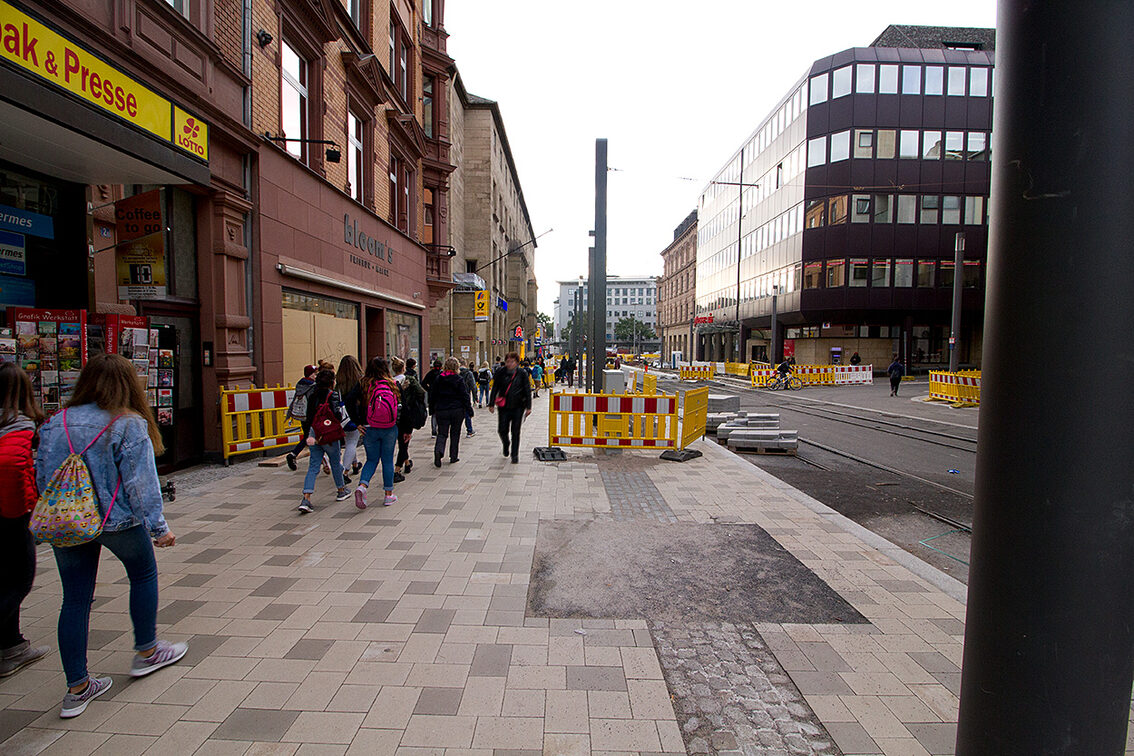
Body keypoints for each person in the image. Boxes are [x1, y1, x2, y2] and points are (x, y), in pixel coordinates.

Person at [36, 353, 184, 719]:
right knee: (143, 574)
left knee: (75, 599)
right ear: (128, 384)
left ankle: (77, 687)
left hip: (69, 521)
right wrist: (158, 528)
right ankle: (147, 651)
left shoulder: (57, 422)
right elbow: (140, 483)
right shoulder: (128, 423)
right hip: (117, 521)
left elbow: (43, 476)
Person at [0, 363, 49, 679]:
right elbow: (13, 467)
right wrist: (23, 509)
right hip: (11, 515)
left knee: (4, 577)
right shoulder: (19, 425)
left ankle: (12, 646)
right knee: (20, 578)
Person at [298, 368, 351, 514]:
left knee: (313, 466)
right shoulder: (332, 395)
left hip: (314, 432)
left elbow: (308, 416)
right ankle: (341, 490)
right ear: (332, 382)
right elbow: (337, 415)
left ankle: (306, 498)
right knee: (335, 462)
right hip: (329, 433)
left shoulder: (312, 394)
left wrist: (309, 435)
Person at [355, 358, 400, 509]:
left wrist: (357, 422)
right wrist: (406, 429)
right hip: (389, 427)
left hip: (369, 427)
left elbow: (349, 400)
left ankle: (362, 486)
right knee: (387, 461)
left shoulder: (363, 384)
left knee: (371, 460)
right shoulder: (392, 384)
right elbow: (403, 406)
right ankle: (388, 495)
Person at [489, 352, 532, 464]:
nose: (509, 364)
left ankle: (514, 455)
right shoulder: (501, 372)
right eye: (508, 361)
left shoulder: (522, 373)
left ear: (517, 362)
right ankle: (506, 443)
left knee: (515, 431)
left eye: (512, 361)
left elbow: (527, 389)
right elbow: (495, 388)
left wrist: (528, 407)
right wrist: (491, 403)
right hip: (504, 406)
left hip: (518, 406)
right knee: (502, 429)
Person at [430, 357, 473, 467]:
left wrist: (432, 409)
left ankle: (439, 451)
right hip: (457, 410)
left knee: (442, 433)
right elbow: (465, 396)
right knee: (455, 433)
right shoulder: (459, 379)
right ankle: (453, 456)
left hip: (442, 409)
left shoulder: (439, 379)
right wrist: (469, 410)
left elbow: (433, 395)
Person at [394, 364, 427, 482]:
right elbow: (421, 392)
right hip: (406, 413)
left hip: (393, 415)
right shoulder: (409, 380)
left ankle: (407, 462)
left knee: (401, 440)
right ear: (403, 368)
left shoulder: (390, 381)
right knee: (404, 442)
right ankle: (397, 469)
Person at [336, 356, 364, 479]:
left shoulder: (339, 383)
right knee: (351, 443)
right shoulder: (360, 382)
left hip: (342, 417)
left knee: (349, 441)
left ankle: (355, 464)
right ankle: (345, 471)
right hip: (355, 416)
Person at [285, 364, 318, 471]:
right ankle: (294, 454)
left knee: (307, 436)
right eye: (314, 374)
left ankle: (293, 455)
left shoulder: (300, 385)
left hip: (302, 415)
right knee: (312, 437)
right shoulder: (312, 387)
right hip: (310, 416)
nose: (316, 376)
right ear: (310, 374)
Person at [422, 359, 442, 437]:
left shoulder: (430, 373)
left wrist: (429, 389)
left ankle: (433, 431)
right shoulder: (442, 374)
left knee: (434, 414)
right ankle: (440, 429)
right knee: (440, 413)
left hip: (432, 396)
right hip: (440, 396)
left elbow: (423, 383)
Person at [459, 360, 477, 437]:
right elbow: (473, 386)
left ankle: (454, 430)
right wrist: (475, 397)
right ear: (465, 364)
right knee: (467, 413)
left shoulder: (456, 373)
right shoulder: (469, 373)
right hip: (466, 395)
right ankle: (469, 430)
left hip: (456, 397)